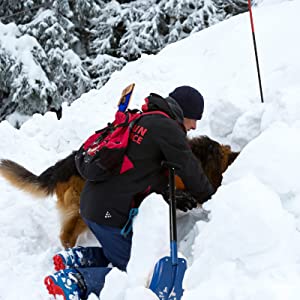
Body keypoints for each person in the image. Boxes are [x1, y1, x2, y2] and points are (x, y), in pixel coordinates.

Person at [44, 85, 215, 300]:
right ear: (184, 112)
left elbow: (144, 171)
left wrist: (172, 195)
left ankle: (77, 259)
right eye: (194, 119)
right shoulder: (167, 128)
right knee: (136, 272)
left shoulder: (145, 119)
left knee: (124, 252)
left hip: (97, 205)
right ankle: (74, 280)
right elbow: (188, 168)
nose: (194, 126)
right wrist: (213, 199)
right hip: (107, 213)